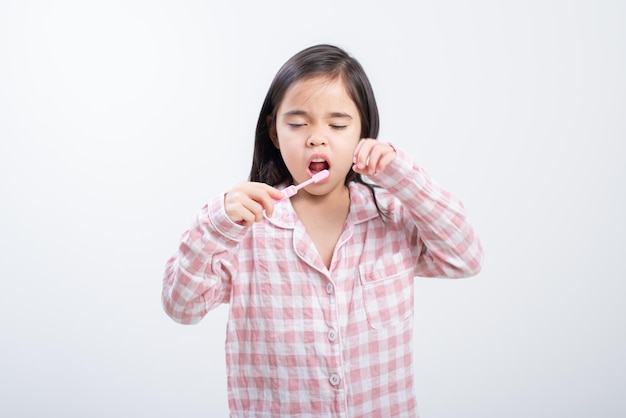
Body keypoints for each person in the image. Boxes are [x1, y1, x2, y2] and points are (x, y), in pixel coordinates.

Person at [162, 44, 483, 417]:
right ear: (275, 132)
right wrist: (217, 221)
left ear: (364, 130)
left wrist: (401, 174)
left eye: (338, 124)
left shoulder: (391, 216)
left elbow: (466, 258)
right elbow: (181, 307)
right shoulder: (244, 228)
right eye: (298, 124)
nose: (316, 137)